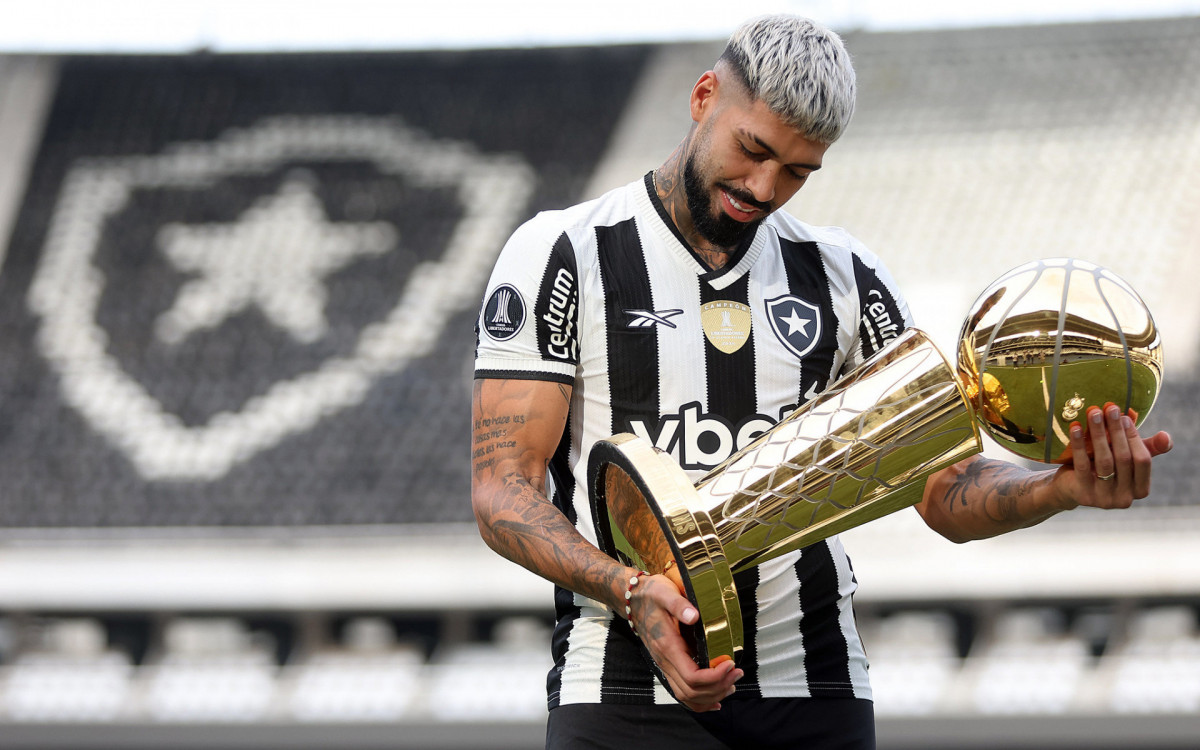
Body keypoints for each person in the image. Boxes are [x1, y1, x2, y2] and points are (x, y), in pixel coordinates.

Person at [470, 14, 1173, 750]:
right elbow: (501, 490)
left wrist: (1057, 489)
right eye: (753, 150)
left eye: (799, 171)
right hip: (619, 692)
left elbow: (942, 489)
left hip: (814, 692)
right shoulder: (562, 253)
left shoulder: (847, 276)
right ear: (704, 96)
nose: (764, 186)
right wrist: (631, 590)